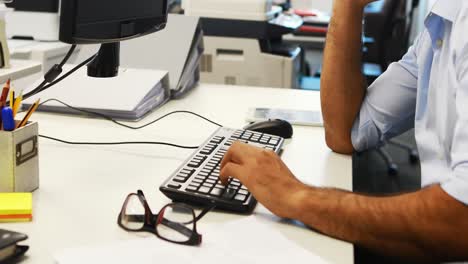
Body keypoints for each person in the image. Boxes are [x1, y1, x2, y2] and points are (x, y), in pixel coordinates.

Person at [219, 0, 468, 262]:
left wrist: (296, 196)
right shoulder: (439, 25)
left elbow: (461, 221)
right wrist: (348, 5)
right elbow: (346, 131)